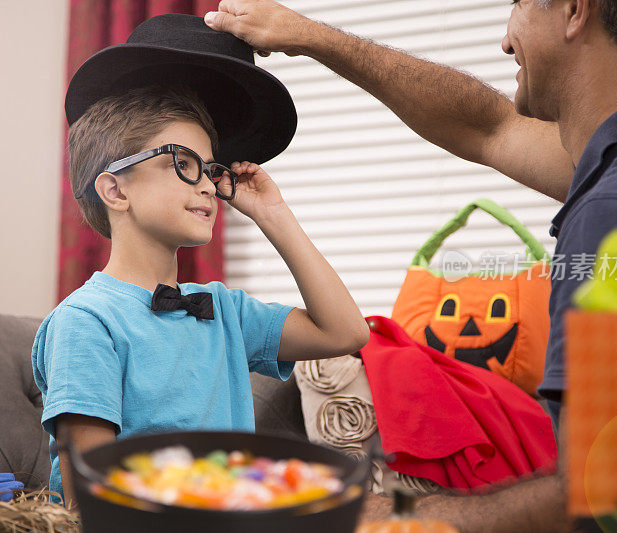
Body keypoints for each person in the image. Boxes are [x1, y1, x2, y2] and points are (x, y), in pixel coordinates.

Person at [205, 1, 617, 531]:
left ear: (574, 10)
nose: (506, 41)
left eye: (516, 5)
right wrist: (312, 37)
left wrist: (387, 513)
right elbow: (486, 126)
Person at [31, 14, 370, 508]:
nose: (209, 185)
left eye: (210, 169)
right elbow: (93, 497)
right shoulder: (85, 323)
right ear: (115, 189)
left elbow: (346, 332)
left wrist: (273, 215)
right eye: (183, 164)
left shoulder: (223, 310)